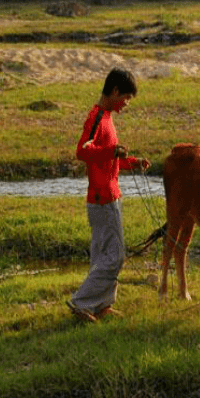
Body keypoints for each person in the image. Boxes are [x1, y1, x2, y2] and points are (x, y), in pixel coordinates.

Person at [67, 67, 150, 323]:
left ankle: (101, 304)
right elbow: (83, 152)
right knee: (115, 256)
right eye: (125, 97)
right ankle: (81, 303)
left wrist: (131, 162)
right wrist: (112, 152)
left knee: (102, 254)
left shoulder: (107, 118)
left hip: (108, 194)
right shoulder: (95, 118)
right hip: (103, 198)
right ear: (114, 91)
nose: (126, 103)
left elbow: (108, 159)